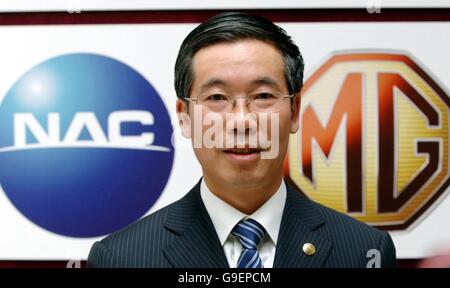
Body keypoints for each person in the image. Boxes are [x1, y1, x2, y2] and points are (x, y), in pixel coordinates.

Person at [88, 12, 397, 268]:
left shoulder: (365, 251)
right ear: (184, 116)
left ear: (295, 110)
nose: (241, 121)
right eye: (217, 97)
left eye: (263, 96)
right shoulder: (121, 258)